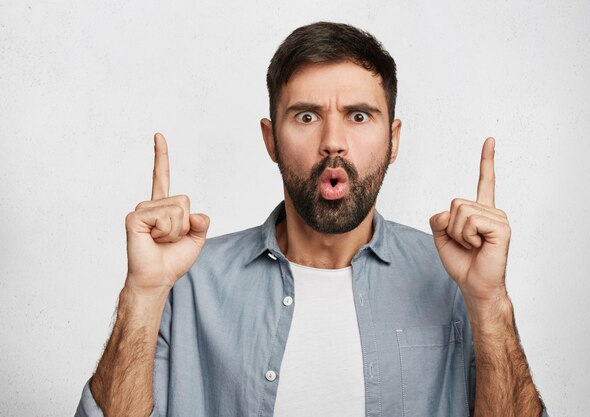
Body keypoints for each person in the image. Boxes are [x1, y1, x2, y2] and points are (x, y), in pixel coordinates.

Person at [75, 22, 547, 417]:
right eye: (306, 116)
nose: (334, 141)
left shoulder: (454, 278)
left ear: (394, 139)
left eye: (359, 116)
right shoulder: (188, 282)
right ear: (271, 140)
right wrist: (142, 294)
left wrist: (489, 303)